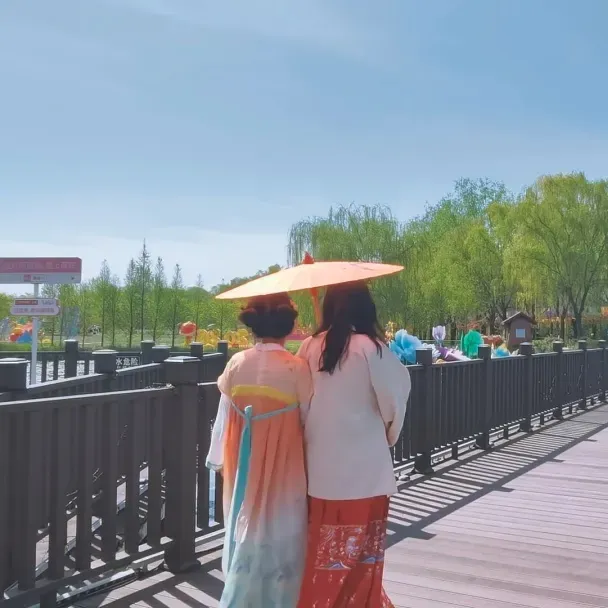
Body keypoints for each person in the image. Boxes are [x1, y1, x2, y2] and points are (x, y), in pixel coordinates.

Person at [296, 281, 411, 608]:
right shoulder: (371, 348)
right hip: (365, 470)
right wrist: (387, 433)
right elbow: (395, 399)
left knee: (322, 553)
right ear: (365, 307)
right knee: (363, 555)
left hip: (320, 470)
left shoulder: (309, 347)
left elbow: (300, 407)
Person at [206, 293, 313, 607]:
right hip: (286, 463)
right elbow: (309, 420)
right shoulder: (297, 368)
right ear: (288, 326)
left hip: (243, 459)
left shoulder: (237, 363)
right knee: (284, 528)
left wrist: (217, 459)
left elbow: (224, 416)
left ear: (253, 326)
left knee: (244, 524)